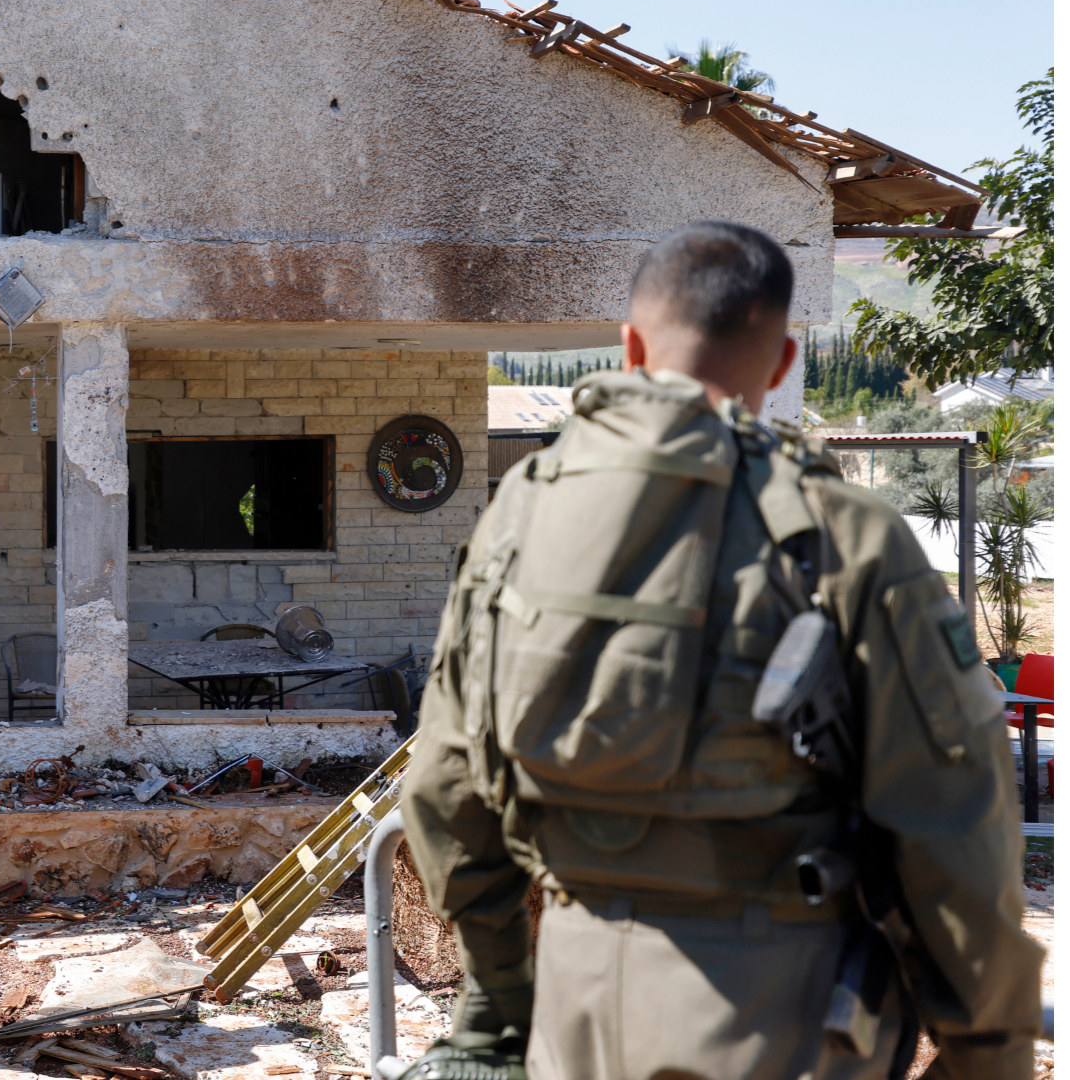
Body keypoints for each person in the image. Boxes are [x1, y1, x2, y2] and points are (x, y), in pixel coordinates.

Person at [397, 221, 1042, 1080]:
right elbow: (956, 825)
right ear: (780, 364)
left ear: (631, 348)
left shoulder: (519, 513)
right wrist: (988, 1051)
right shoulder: (841, 532)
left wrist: (503, 998)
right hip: (784, 1016)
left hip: (574, 1012)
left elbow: (444, 789)